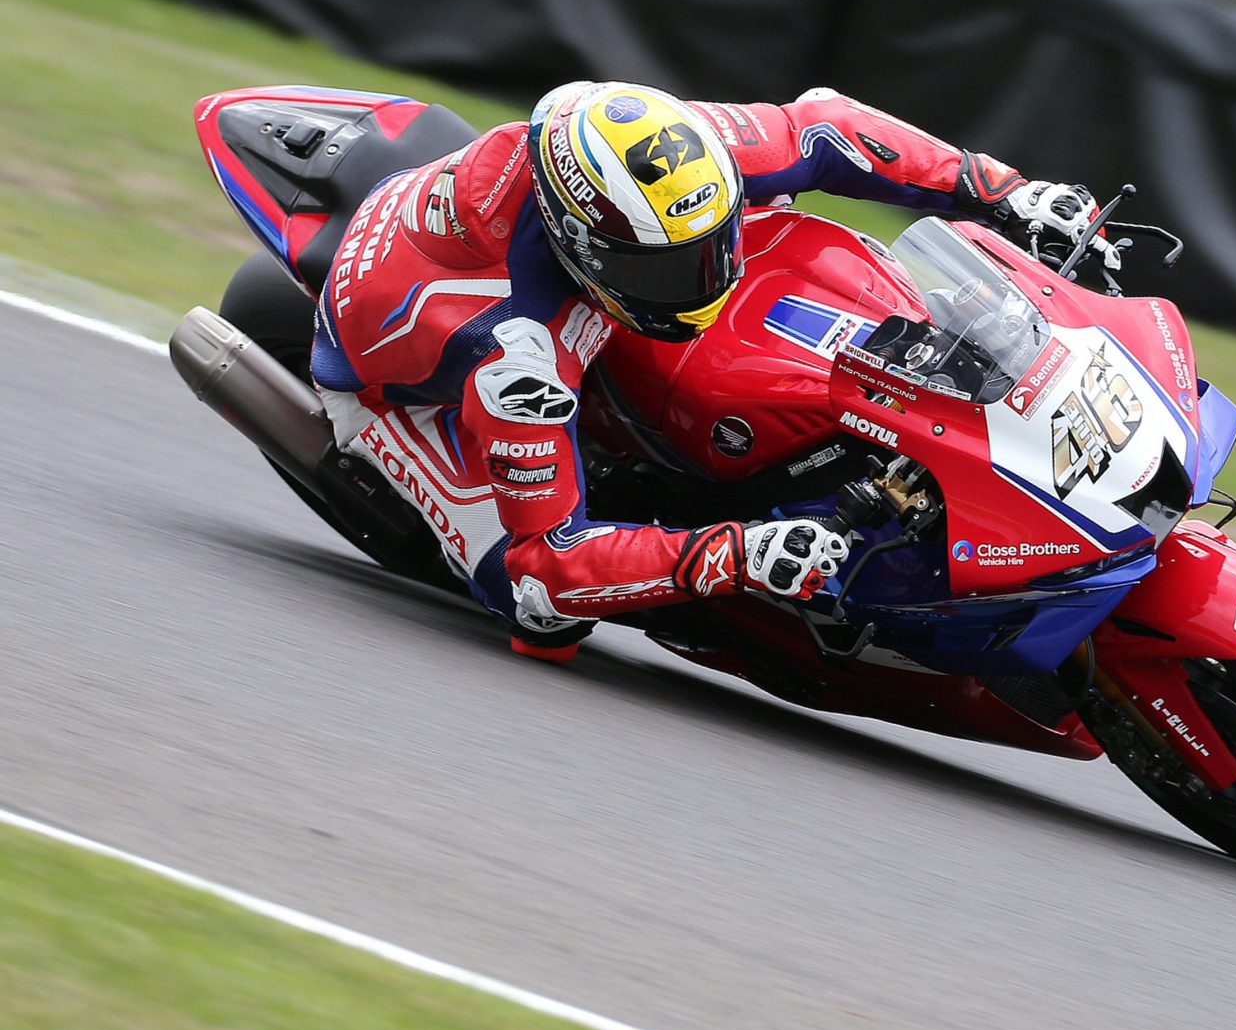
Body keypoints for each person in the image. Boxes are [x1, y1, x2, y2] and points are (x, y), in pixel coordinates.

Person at [309, 81, 1099, 662]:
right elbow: (548, 562)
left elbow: (825, 129)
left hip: (544, 272)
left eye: (713, 244)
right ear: (587, 253)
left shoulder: (673, 150)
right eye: (672, 270)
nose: (709, 275)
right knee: (540, 613)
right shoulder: (514, 357)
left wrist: (1005, 192)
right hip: (402, 391)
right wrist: (736, 552)